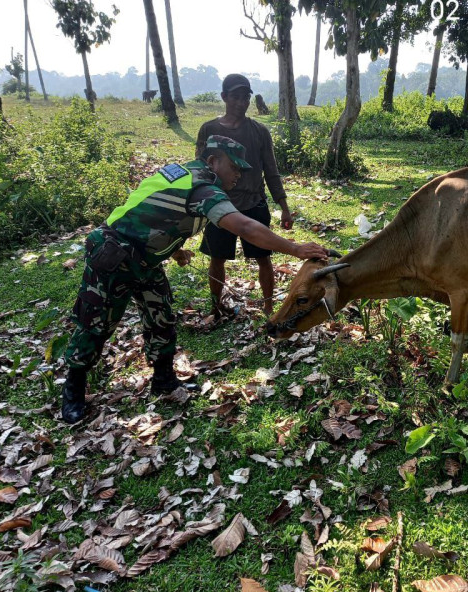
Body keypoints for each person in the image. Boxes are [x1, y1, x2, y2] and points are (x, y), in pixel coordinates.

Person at [60, 135, 328, 424]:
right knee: (96, 324)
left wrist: (173, 250)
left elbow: (156, 213)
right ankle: (73, 390)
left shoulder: (181, 173)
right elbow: (244, 226)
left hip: (145, 258)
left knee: (160, 316)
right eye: (234, 167)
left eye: (241, 169)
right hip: (113, 255)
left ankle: (163, 379)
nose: (238, 174)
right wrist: (295, 249)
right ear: (212, 161)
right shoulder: (202, 187)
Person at [196, 73, 291, 318]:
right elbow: (200, 169)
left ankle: (269, 306)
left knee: (263, 257)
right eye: (235, 97)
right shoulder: (209, 129)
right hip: (219, 206)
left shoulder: (259, 131)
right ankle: (216, 306)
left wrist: (284, 205)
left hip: (253, 202)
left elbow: (271, 170)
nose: (241, 102)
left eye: (245, 97)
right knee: (217, 259)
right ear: (224, 97)